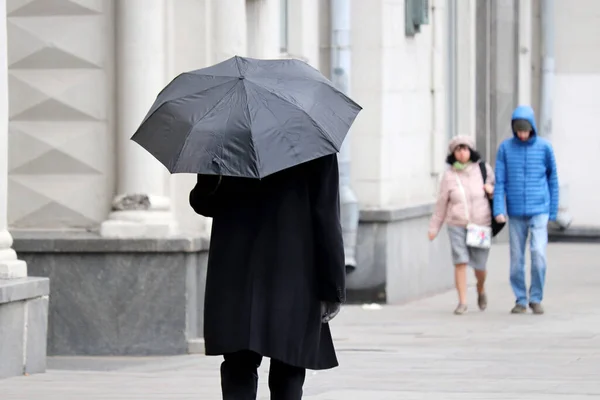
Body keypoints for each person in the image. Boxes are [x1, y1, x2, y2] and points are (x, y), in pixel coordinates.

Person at [189, 154, 345, 400]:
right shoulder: (312, 142)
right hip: (294, 271)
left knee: (238, 368)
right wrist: (333, 286)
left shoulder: (226, 135)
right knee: (289, 365)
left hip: (235, 270)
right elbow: (326, 216)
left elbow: (203, 202)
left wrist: (213, 178)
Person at [493, 105, 559, 315]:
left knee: (538, 253)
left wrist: (553, 211)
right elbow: (500, 181)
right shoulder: (505, 149)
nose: (522, 135)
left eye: (526, 130)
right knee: (516, 259)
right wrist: (498, 209)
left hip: (539, 208)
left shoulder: (544, 148)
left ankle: (536, 297)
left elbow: (553, 180)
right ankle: (521, 299)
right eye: (518, 130)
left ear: (532, 128)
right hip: (515, 211)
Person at [428, 135, 495, 315]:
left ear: (470, 151)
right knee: (460, 261)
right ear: (453, 153)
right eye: (458, 149)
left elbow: (496, 189)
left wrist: (491, 191)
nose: (462, 153)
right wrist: (434, 227)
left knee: (480, 266)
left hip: (481, 224)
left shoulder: (482, 169)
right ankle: (462, 302)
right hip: (456, 223)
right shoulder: (449, 176)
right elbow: (441, 203)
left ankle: (480, 289)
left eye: (465, 149)